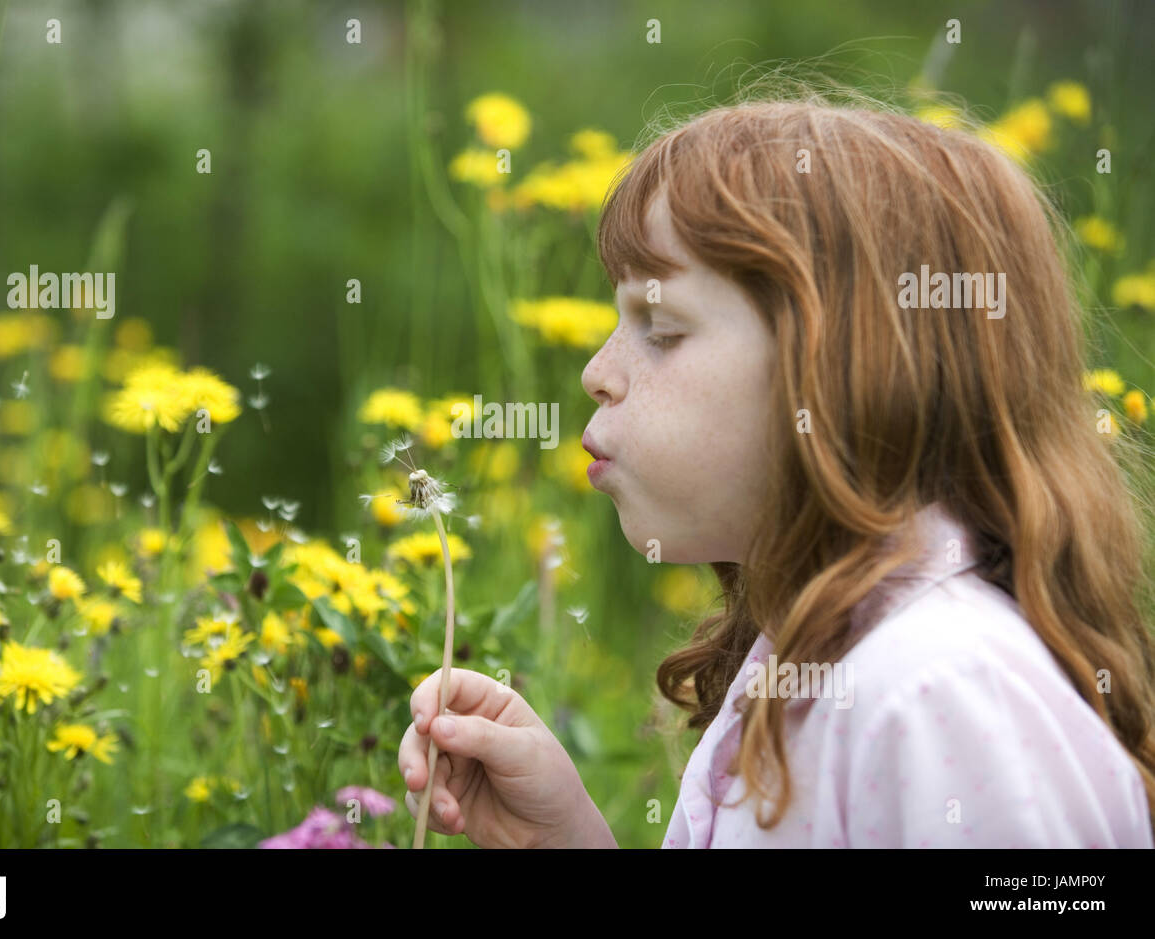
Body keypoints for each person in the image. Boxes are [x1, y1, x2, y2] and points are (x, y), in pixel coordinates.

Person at [397, 97, 1155, 848]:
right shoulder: (806, 667)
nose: (598, 372)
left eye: (661, 329)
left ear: (838, 376)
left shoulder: (938, 691)